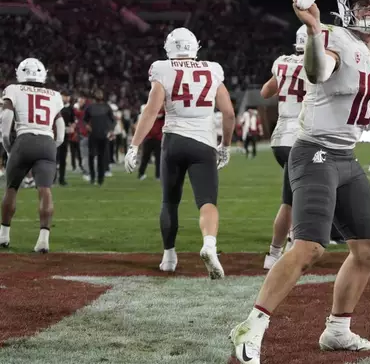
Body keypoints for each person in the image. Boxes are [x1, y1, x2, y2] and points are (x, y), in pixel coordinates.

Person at [229, 0, 370, 363]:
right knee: (309, 247)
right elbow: (318, 73)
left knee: (368, 248)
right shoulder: (333, 38)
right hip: (314, 152)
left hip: (345, 158)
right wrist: (315, 30)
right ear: (345, 7)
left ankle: (338, 331)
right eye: (362, 2)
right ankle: (252, 325)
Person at [124, 27, 236, 278]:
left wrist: (134, 145)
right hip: (204, 143)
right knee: (207, 202)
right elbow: (228, 113)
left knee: (170, 202)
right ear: (195, 46)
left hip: (174, 140)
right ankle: (209, 245)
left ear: (169, 47)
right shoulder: (213, 69)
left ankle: (169, 257)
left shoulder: (163, 68)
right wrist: (225, 145)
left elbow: (151, 111)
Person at [0, 58, 65, 252]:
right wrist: (54, 144)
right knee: (45, 190)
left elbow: (6, 121)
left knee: (11, 188)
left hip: (24, 139)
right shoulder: (54, 94)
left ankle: (4, 235)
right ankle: (43, 240)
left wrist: (7, 146)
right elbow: (60, 127)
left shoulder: (13, 89)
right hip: (47, 142)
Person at [259, 25, 307, 269]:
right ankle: (283, 250)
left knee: (295, 197)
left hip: (280, 139)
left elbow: (266, 92)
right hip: (302, 138)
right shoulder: (319, 64)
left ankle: (277, 253)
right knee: (294, 200)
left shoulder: (282, 62)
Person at [83, 92, 114, 186]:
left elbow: (112, 120)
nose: (99, 95)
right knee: (92, 156)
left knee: (101, 157)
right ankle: (93, 177)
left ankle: (100, 179)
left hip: (103, 135)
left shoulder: (106, 107)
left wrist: (111, 130)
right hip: (93, 134)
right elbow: (85, 120)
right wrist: (87, 125)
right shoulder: (90, 107)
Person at [57, 92, 76, 186]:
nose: (66, 98)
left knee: (62, 159)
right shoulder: (56, 106)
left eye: (67, 96)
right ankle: (51, 179)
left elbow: (73, 121)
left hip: (65, 136)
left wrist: (72, 127)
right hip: (54, 135)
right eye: (65, 96)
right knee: (53, 158)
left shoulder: (70, 108)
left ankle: (61, 179)